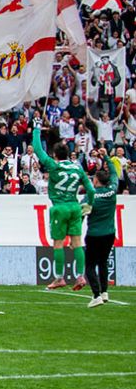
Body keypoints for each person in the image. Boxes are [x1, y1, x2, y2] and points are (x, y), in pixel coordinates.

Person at [32, 122, 94, 290]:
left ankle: (59, 277)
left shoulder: (54, 165)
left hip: (60, 207)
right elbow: (91, 190)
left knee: (58, 243)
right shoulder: (78, 169)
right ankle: (80, 276)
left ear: (55, 155)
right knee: (77, 242)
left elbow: (37, 150)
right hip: (75, 207)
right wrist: (88, 205)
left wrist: (36, 129)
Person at [83, 156, 122, 307]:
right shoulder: (112, 190)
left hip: (94, 234)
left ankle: (96, 295)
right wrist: (106, 156)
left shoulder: (91, 196)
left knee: (90, 265)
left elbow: (81, 213)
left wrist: (74, 235)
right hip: (110, 233)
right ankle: (105, 292)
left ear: (97, 181)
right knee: (103, 262)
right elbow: (114, 173)